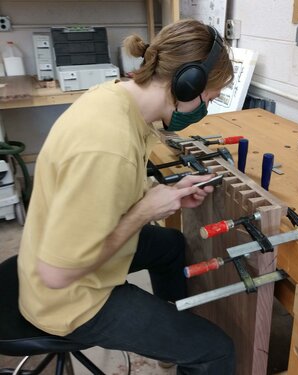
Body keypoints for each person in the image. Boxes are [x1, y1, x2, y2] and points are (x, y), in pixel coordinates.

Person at [18, 19, 235, 374]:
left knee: (170, 246)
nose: (205, 107)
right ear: (186, 83)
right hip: (66, 298)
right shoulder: (108, 146)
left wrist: (164, 195)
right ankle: (189, 349)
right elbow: (57, 273)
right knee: (215, 350)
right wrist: (143, 212)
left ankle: (171, 347)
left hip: (56, 249)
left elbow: (104, 191)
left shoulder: (115, 99)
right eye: (208, 97)